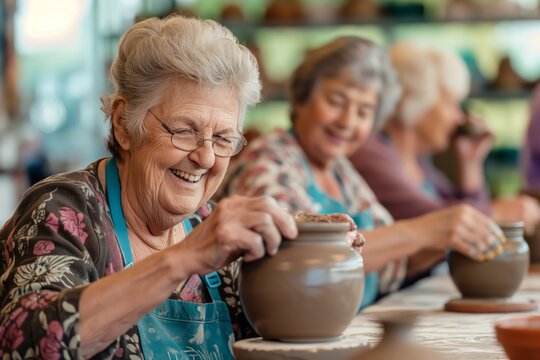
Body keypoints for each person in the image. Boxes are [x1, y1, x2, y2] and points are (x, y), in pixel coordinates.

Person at [0, 16, 301, 359]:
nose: (205, 157)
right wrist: (181, 260)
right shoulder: (62, 211)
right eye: (185, 130)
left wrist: (302, 252)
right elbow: (24, 344)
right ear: (124, 125)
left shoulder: (208, 225)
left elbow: (272, 338)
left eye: (222, 139)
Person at [217, 36, 506, 307]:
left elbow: (393, 265)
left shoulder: (342, 172)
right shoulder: (269, 160)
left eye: (364, 112)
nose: (347, 122)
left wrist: (443, 238)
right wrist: (426, 230)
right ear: (301, 99)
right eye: (336, 101)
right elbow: (297, 265)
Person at [350, 42, 540, 234]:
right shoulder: (371, 152)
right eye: (452, 103)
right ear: (414, 98)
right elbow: (432, 220)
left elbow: (469, 228)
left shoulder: (419, 162)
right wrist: (497, 211)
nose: (459, 117)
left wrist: (470, 164)